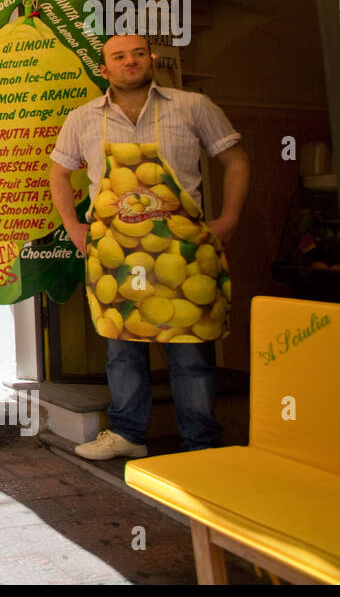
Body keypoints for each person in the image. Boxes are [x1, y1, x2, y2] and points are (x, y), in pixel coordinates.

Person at [49, 32, 250, 460]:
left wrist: (230, 217)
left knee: (190, 351)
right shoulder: (83, 118)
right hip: (114, 251)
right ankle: (127, 434)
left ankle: (201, 444)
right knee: (123, 347)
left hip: (183, 250)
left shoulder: (193, 106)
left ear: (151, 60)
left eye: (138, 54)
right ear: (104, 69)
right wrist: (72, 226)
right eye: (119, 56)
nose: (130, 62)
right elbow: (58, 172)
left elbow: (235, 159)